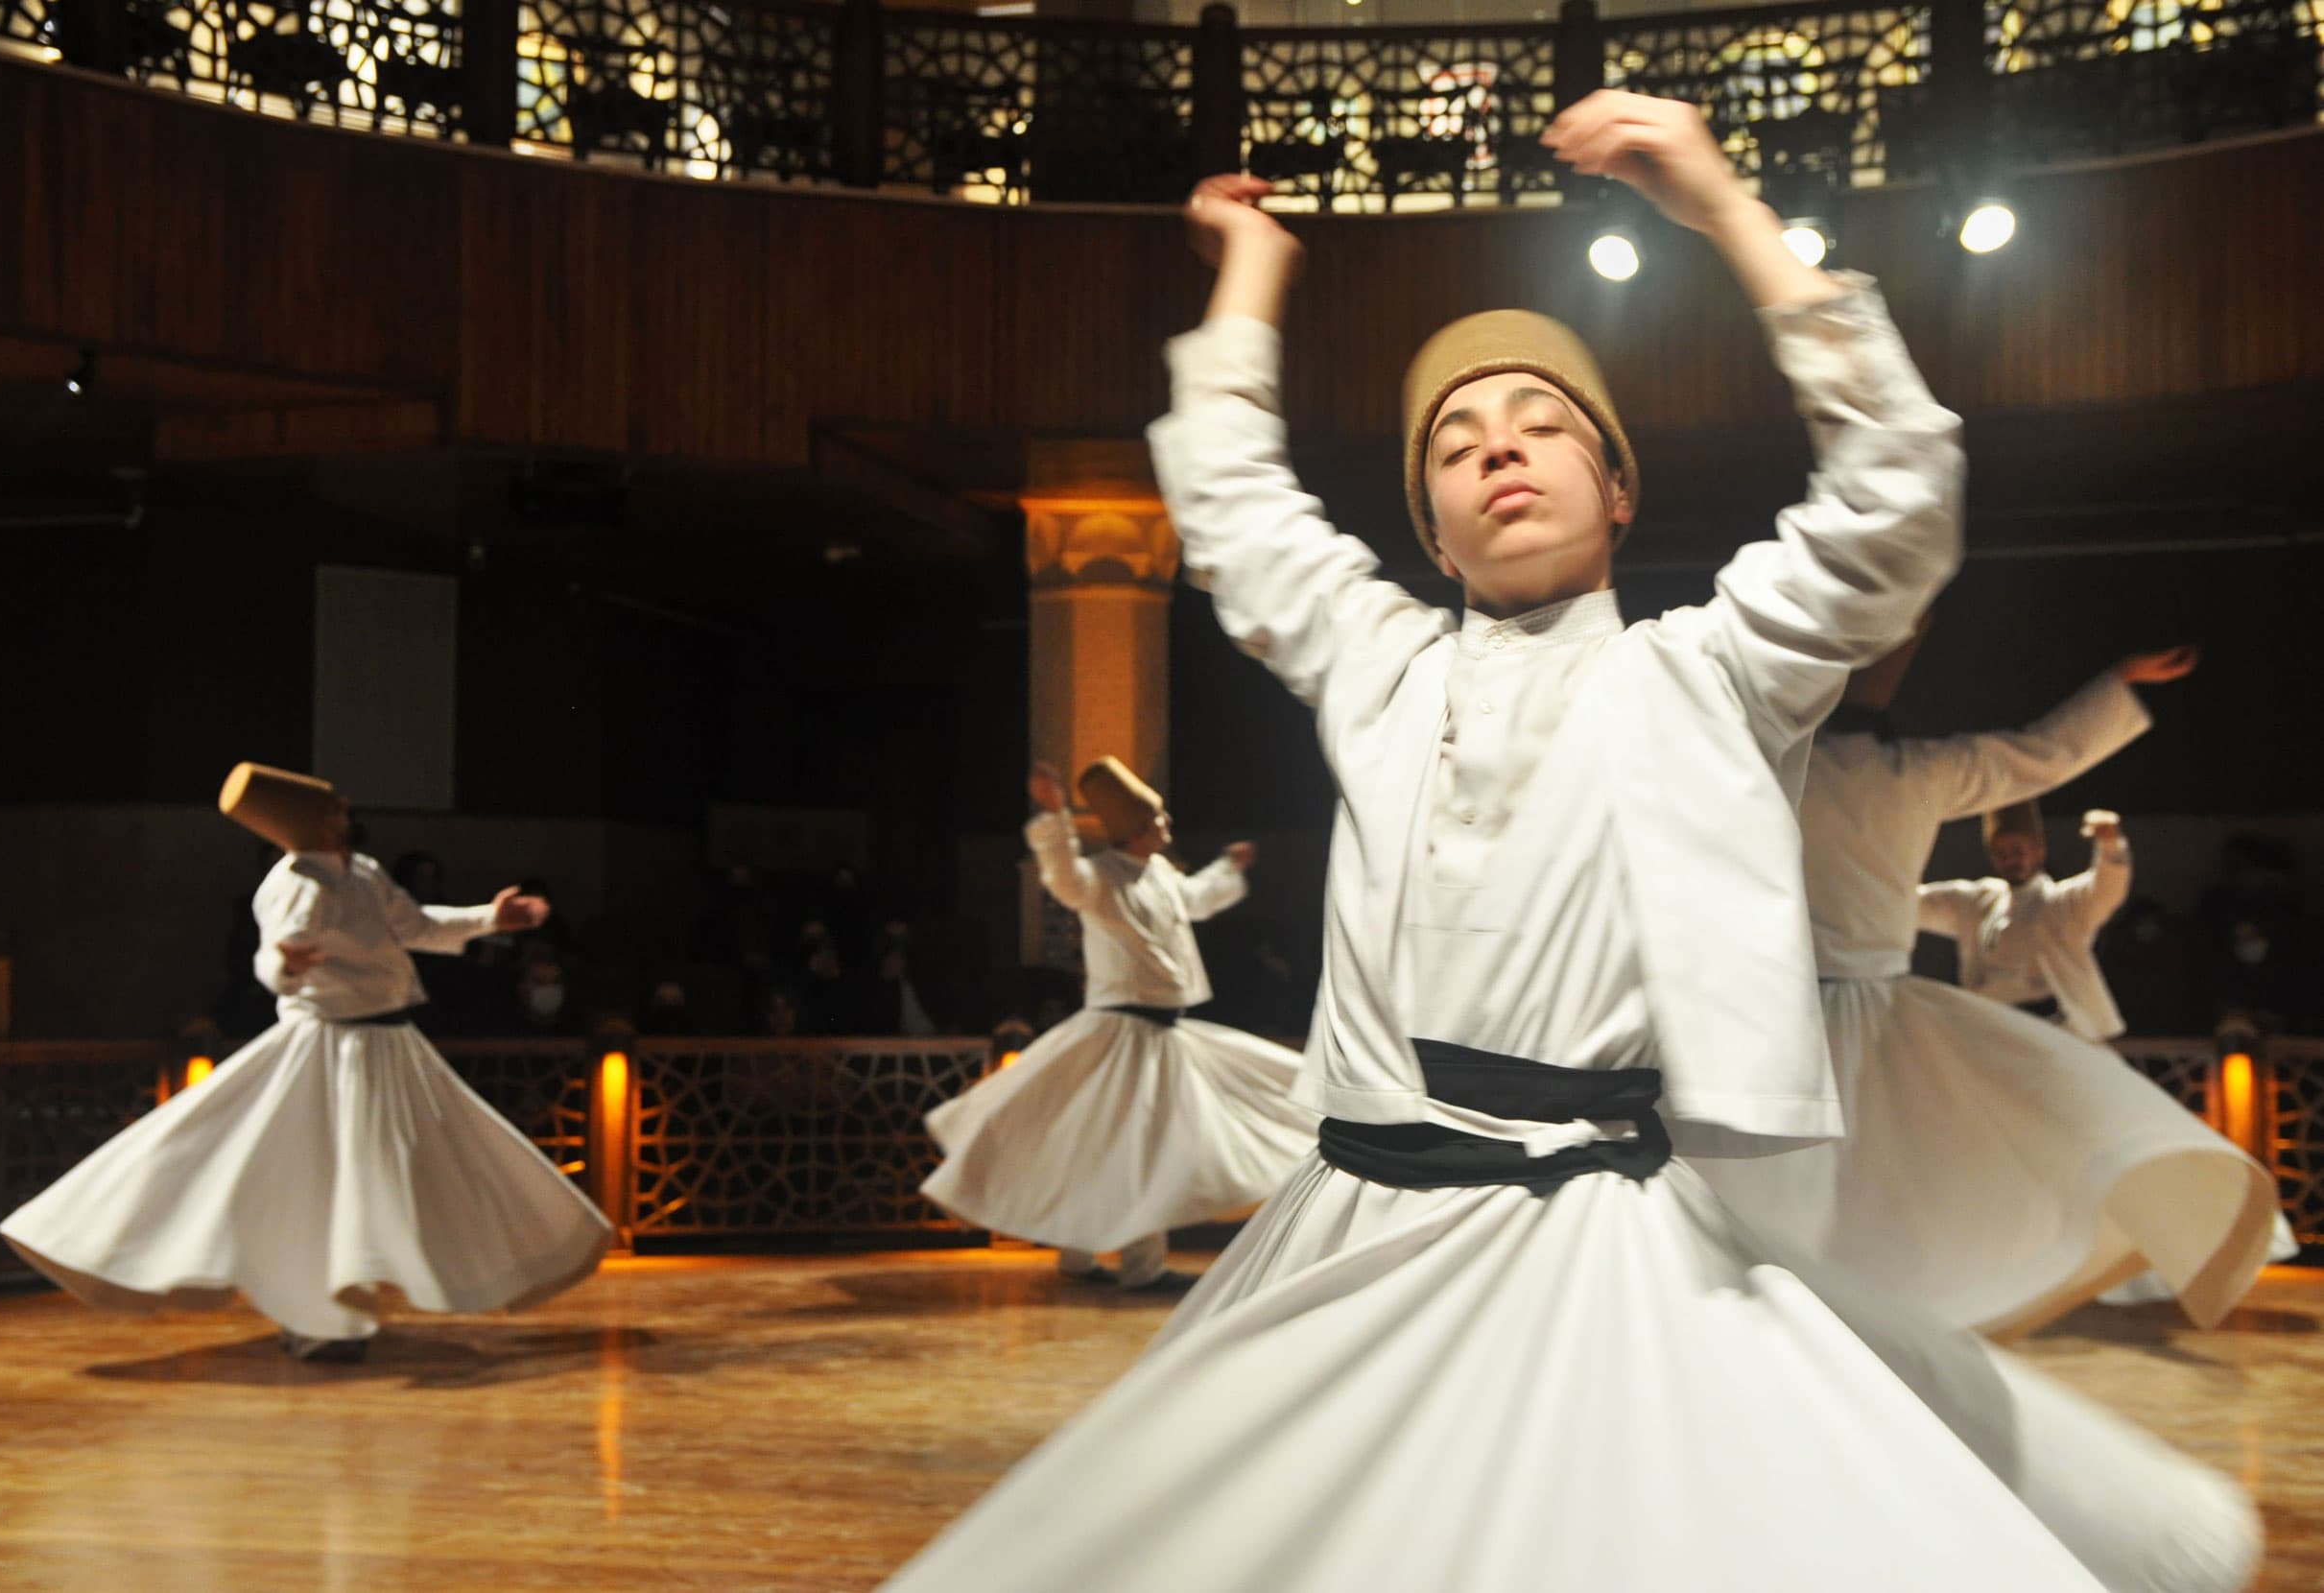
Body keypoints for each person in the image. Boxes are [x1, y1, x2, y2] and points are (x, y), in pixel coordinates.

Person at [881, 92, 2256, 1593]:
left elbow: (1896, 498)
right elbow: (1231, 505)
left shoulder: (1707, 672)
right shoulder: (1380, 666)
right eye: (1459, 445)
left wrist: (1725, 207)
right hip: (1351, 1224)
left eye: (1544, 426)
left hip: (1589, 1223)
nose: (1501, 452)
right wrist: (1251, 276)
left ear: (1618, 492)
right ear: (1430, 523)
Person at [1695, 636, 2274, 1336]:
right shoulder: (1909, 774)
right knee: (1855, 1182)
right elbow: (2043, 752)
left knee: (1812, 1187)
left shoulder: (1766, 765)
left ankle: (1804, 1314)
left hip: (1795, 1013)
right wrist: (2117, 679)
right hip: (1854, 1012)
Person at [0, 764, 615, 1363]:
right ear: (317, 820)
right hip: (331, 1045)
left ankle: (341, 1310)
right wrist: (288, 966)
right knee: (322, 1179)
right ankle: (322, 1320)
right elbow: (272, 956)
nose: (345, 813)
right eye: (335, 807)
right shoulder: (295, 882)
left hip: (385, 1044)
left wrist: (488, 918)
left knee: (404, 1167)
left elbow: (418, 925)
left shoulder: (365, 873)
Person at [919, 757, 1316, 1290]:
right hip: (1122, 1034)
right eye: (1160, 821)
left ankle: (1079, 1259)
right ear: (1135, 829)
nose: (1169, 828)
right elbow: (1063, 875)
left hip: (1162, 1033)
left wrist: (1228, 869)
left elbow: (1196, 899)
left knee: (1108, 1147)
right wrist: (1056, 815)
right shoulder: (1102, 878)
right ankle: (1140, 1266)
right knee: (1135, 1147)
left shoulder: (1160, 876)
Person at [1920, 800, 2135, 1039]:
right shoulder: (1977, 902)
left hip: (2054, 1030)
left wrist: (2110, 845)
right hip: (1990, 1028)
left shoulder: (2060, 904)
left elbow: (2105, 892)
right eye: (2001, 853)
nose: (2010, 860)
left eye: (2017, 851)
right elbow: (1917, 904)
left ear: (2038, 851)